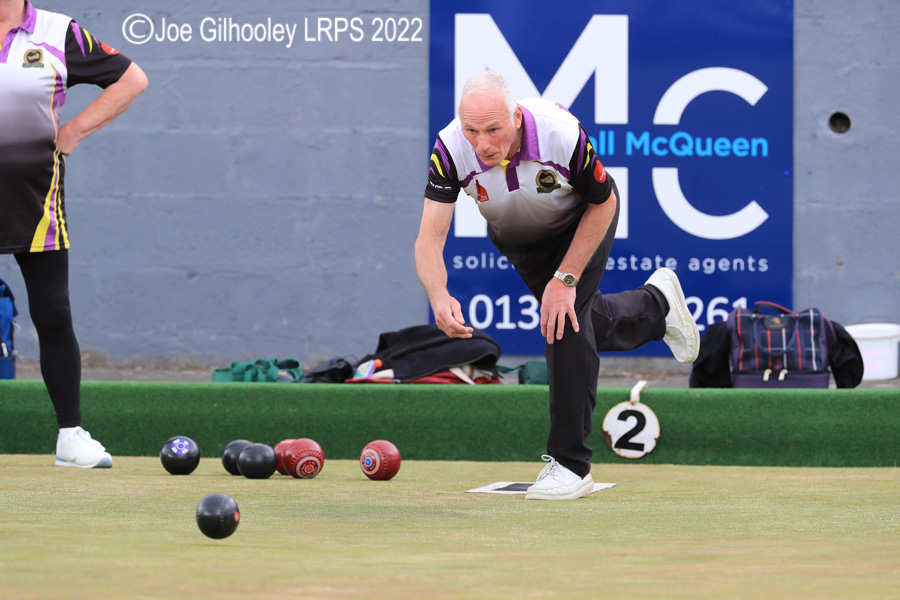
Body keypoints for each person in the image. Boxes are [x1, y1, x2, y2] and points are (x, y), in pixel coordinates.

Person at [415, 72, 699, 500]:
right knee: (581, 323)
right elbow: (430, 237)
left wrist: (565, 279)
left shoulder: (559, 133)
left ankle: (571, 464)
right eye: (472, 130)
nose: (483, 143)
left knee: (562, 322)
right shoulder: (449, 148)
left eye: (493, 129)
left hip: (582, 222)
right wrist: (438, 295)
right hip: (520, 241)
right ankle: (655, 305)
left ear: (514, 117)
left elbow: (604, 203)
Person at [0, 0, 148, 467]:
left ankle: (70, 436)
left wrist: (76, 130)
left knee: (53, 315)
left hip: (35, 201)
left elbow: (131, 79)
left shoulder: (57, 32)